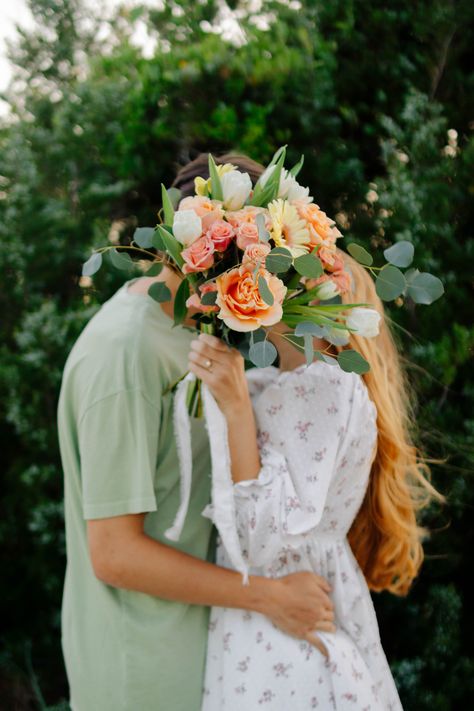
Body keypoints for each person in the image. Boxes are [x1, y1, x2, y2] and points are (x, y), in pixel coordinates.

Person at [56, 153, 336, 711]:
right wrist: (272, 597)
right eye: (269, 257)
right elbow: (113, 553)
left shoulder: (195, 330)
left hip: (197, 655)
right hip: (141, 674)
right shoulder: (126, 353)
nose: (273, 275)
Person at [186, 222, 446, 705]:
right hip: (272, 629)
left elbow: (261, 544)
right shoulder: (280, 383)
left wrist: (238, 409)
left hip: (287, 646)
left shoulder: (322, 386)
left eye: (292, 272)